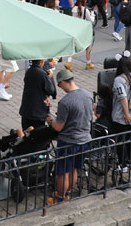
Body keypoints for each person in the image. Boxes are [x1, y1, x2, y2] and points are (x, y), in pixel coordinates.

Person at [47, 68, 93, 204]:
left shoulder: (65, 102)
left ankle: (60, 198)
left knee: (62, 172)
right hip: (84, 139)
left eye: (59, 85)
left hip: (68, 142)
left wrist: (49, 119)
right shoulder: (87, 94)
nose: (60, 88)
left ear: (62, 82)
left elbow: (58, 126)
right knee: (74, 169)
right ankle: (67, 193)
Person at [110, 56, 131, 176]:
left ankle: (122, 165)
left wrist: (126, 113)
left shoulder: (119, 80)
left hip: (122, 117)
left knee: (121, 141)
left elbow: (122, 97)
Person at [18, 59, 56, 130]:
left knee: (26, 131)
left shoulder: (29, 71)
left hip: (26, 110)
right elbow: (51, 90)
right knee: (37, 134)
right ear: (41, 62)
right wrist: (49, 78)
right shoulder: (42, 73)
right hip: (37, 112)